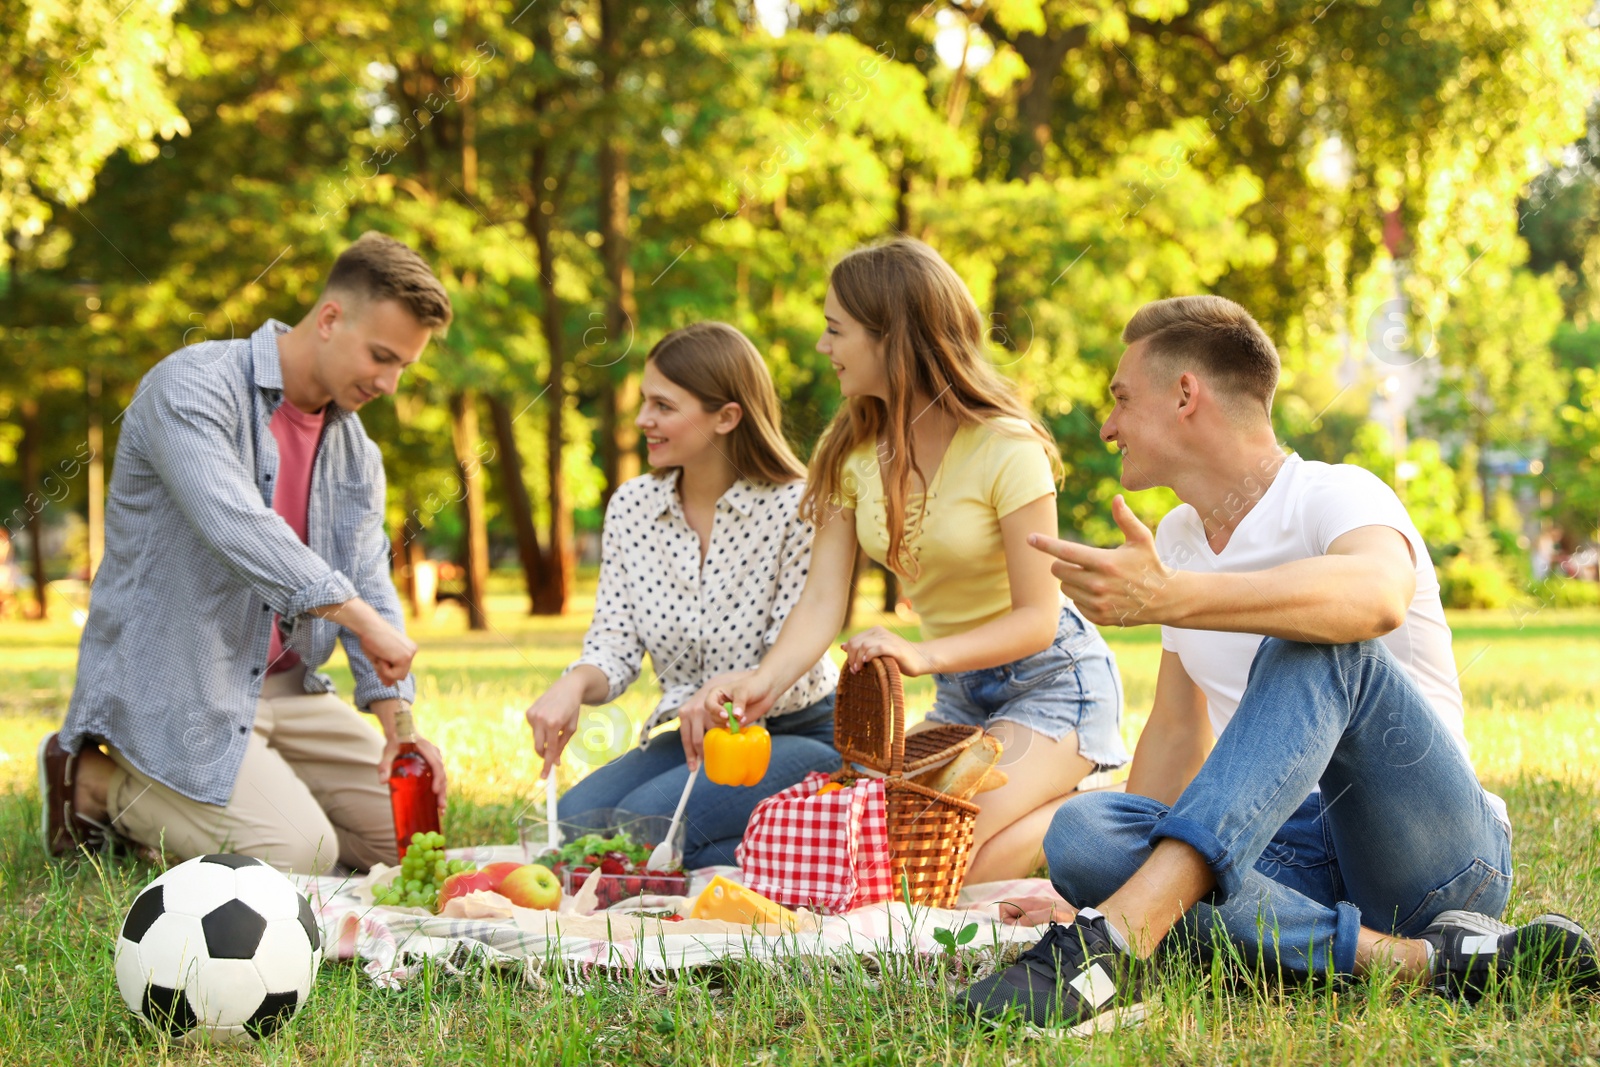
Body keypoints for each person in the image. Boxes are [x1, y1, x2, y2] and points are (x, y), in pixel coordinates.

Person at [960, 295, 1598, 1033]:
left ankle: (1123, 940)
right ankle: (1419, 963)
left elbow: (1376, 599)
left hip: (1428, 855)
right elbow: (1174, 733)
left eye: (1122, 399)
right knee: (1082, 832)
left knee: (1313, 637)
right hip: (1277, 857)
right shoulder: (1177, 537)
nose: (1107, 425)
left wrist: (1176, 595)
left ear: (1186, 394)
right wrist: (1100, 884)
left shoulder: (1335, 493)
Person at [695, 239, 1127, 882]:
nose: (823, 348)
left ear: (891, 337)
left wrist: (922, 655)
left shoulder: (1007, 448)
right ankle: (1058, 806)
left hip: (1051, 682)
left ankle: (1101, 813)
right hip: (961, 695)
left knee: (958, 867)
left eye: (835, 331)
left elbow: (1038, 618)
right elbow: (820, 604)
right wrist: (762, 681)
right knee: (893, 857)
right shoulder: (851, 452)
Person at [40, 232, 451, 875]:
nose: (391, 383)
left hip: (288, 690)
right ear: (329, 318)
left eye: (403, 366)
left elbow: (369, 578)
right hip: (186, 685)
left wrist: (401, 728)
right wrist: (361, 620)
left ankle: (265, 786)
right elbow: (237, 526)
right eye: (381, 357)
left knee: (407, 843)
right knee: (300, 856)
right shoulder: (193, 386)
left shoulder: (356, 452)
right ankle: (97, 781)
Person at [526, 322, 840, 870]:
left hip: (795, 731)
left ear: (727, 416)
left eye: (663, 406)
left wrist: (729, 696)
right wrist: (573, 683)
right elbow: (615, 644)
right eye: (645, 401)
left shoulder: (796, 508)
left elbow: (793, 645)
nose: (643, 419)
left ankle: (795, 843)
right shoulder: (632, 508)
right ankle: (736, 849)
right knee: (576, 824)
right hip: (695, 739)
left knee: (639, 827)